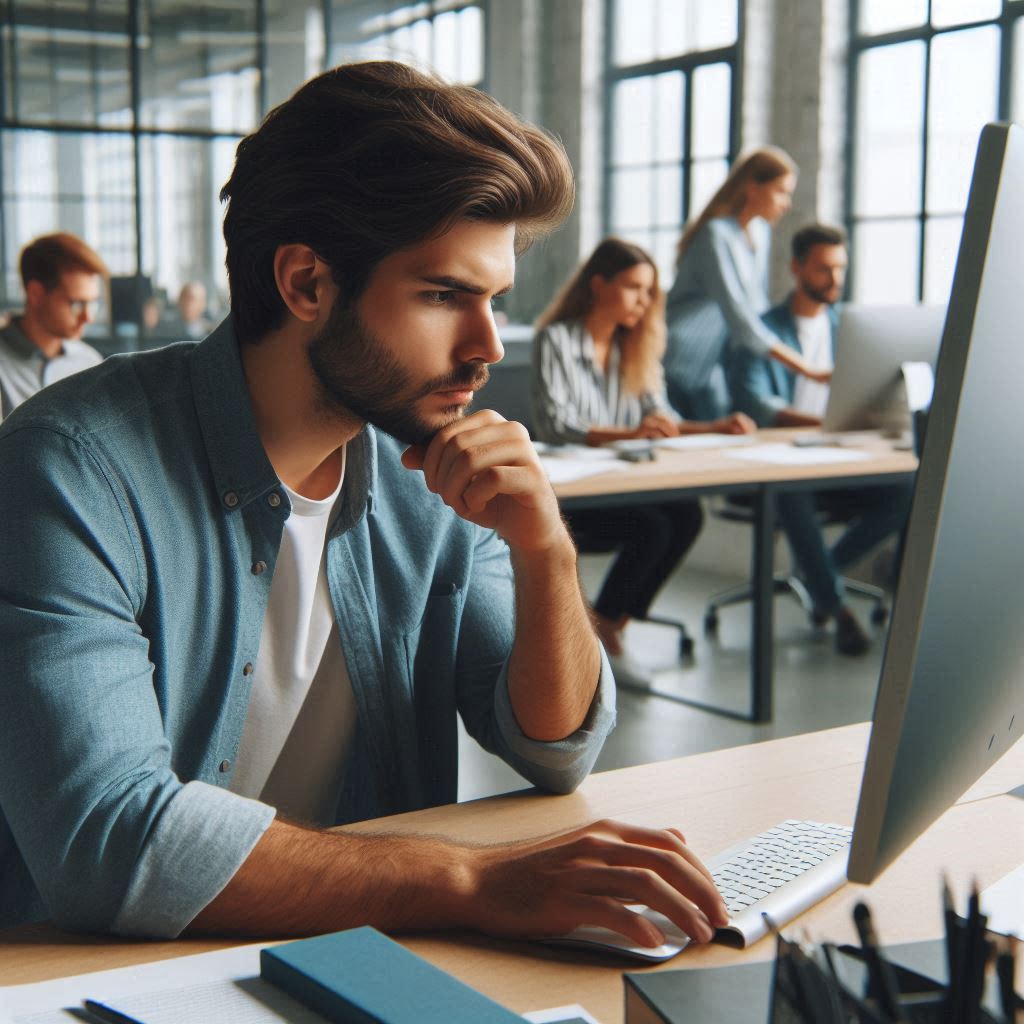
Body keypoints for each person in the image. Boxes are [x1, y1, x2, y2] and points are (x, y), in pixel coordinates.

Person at [0, 62, 728, 949]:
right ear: (307, 283)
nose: (489, 345)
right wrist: (467, 880)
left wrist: (549, 555)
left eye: (494, 301)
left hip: (358, 953)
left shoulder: (435, 474)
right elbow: (110, 844)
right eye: (442, 296)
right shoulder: (71, 470)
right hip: (104, 978)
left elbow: (553, 746)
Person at [531, 237, 754, 656]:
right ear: (599, 286)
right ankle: (605, 634)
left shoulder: (637, 347)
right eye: (635, 287)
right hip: (574, 491)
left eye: (650, 291)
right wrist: (631, 435)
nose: (645, 300)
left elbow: (660, 419)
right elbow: (557, 424)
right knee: (652, 527)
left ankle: (609, 625)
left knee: (686, 515)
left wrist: (715, 426)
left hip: (625, 482)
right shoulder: (556, 339)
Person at [727, 223, 913, 655]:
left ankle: (818, 576)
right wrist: (817, 422)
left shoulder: (854, 328)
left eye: (841, 269)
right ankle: (836, 607)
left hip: (838, 458)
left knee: (907, 490)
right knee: (791, 493)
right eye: (824, 269)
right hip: (774, 459)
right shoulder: (760, 330)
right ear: (797, 268)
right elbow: (754, 402)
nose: (834, 280)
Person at [663, 146, 832, 422]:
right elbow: (740, 316)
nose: (787, 203)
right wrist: (808, 370)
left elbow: (757, 307)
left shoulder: (760, 232)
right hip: (682, 361)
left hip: (718, 362)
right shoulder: (714, 235)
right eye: (781, 191)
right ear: (752, 188)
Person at [0, 232, 106, 419]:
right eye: (76, 304)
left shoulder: (90, 362)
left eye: (93, 303)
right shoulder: (4, 366)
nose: (88, 317)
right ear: (36, 294)